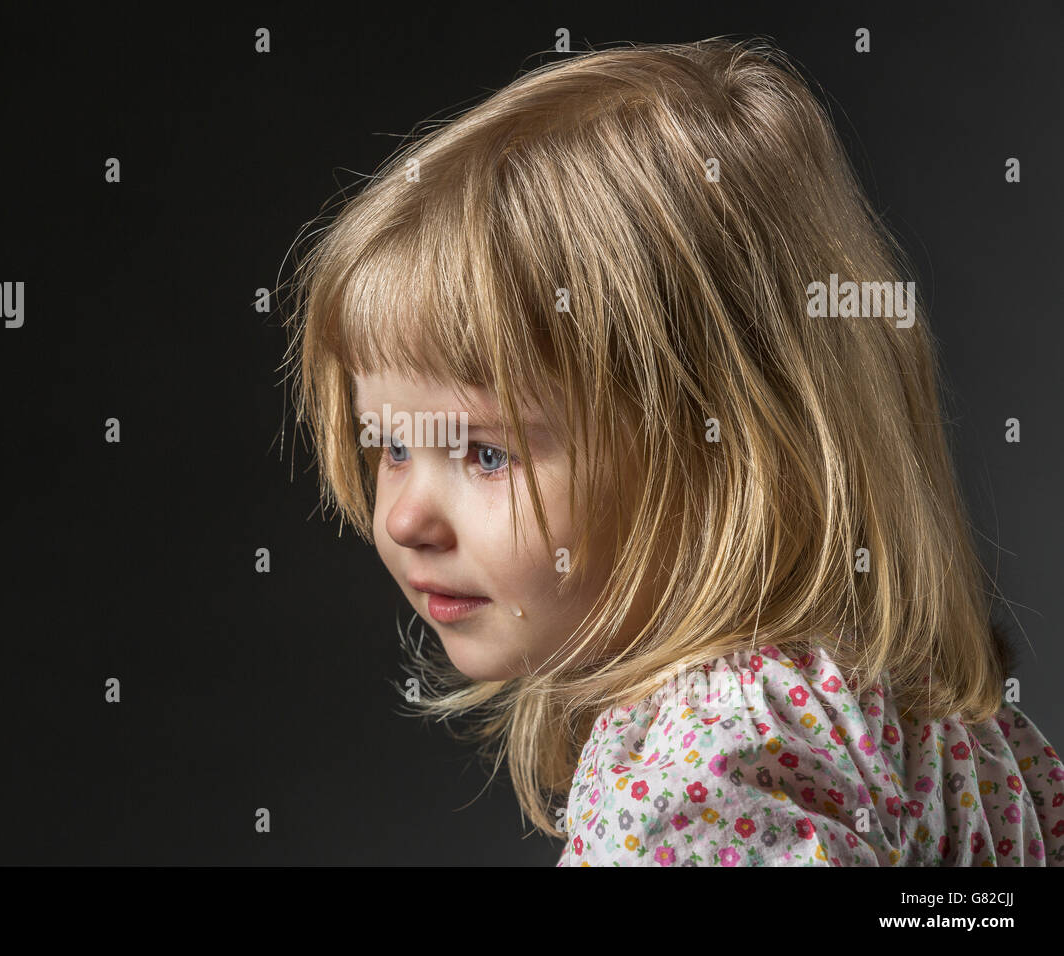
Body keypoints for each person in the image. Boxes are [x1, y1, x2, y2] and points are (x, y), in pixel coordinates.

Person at [279, 38, 1064, 865]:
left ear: (726, 461)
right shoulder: (932, 722)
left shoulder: (703, 783)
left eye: (485, 455)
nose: (402, 518)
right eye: (391, 444)